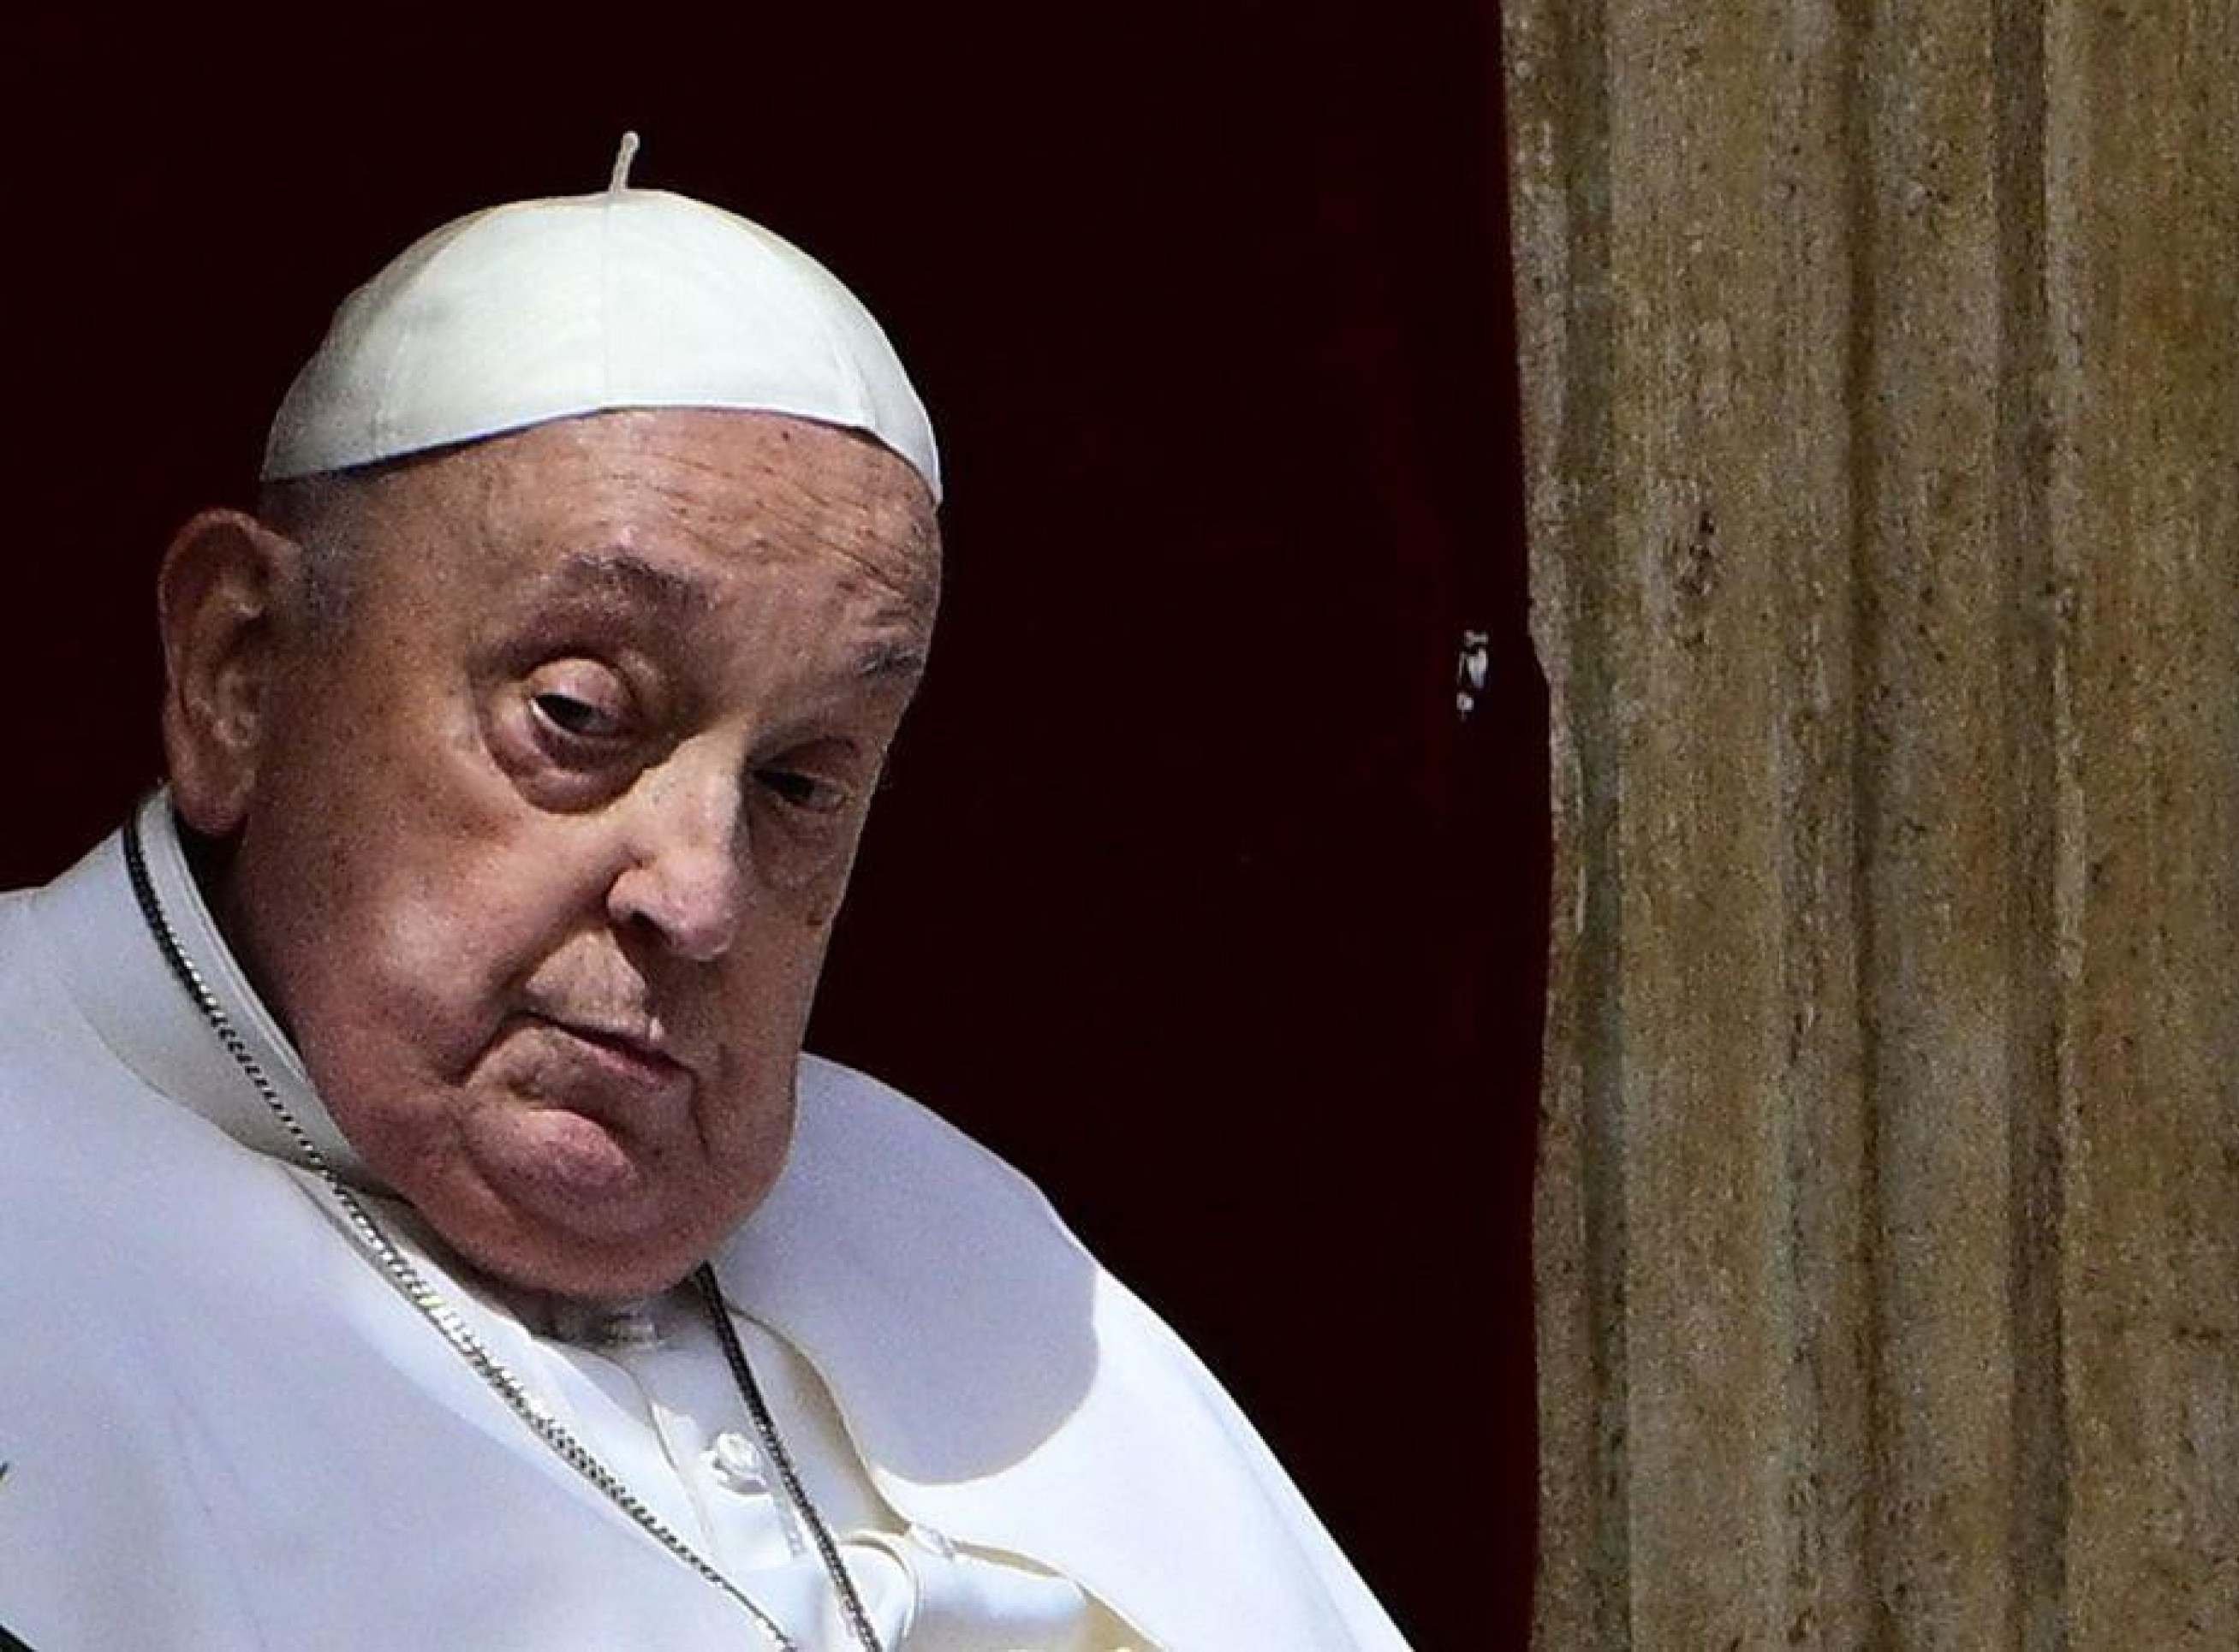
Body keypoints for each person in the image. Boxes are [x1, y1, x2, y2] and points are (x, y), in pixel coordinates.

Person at [0, 141, 1409, 1651]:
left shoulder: (946, 1224)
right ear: (240, 672)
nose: (700, 893)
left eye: (799, 783)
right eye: (578, 715)